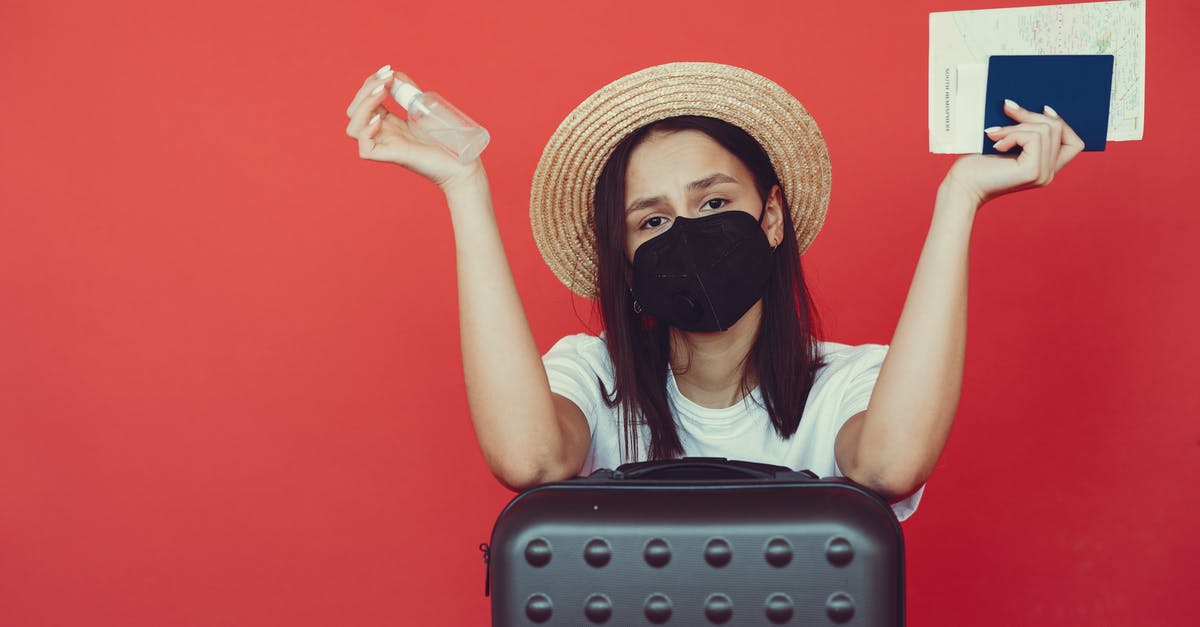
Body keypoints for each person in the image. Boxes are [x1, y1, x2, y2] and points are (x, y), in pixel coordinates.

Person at [343, 62, 1083, 521]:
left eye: (714, 203)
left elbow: (888, 467)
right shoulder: (591, 377)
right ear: (627, 260)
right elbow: (529, 460)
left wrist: (961, 197)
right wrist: (464, 188)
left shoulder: (848, 384)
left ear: (770, 217)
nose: (688, 232)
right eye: (654, 218)